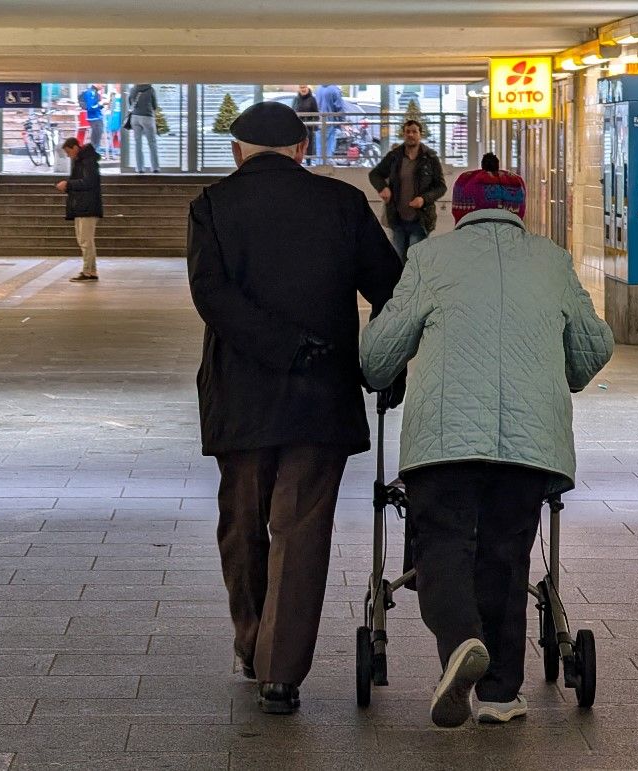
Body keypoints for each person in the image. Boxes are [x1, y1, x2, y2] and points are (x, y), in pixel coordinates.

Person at [359, 153, 613, 728]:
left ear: (461, 211)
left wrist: (386, 359)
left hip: (444, 440)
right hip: (530, 443)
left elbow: (377, 359)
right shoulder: (553, 260)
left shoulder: (429, 256)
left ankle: (459, 646)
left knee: (442, 543)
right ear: (519, 214)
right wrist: (563, 370)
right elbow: (593, 348)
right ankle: (500, 693)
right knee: (506, 550)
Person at [187, 101, 404, 715]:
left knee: (242, 524)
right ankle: (280, 673)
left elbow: (211, 296)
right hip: (321, 394)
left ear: (239, 150)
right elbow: (390, 287)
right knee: (302, 528)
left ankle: (254, 643)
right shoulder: (341, 204)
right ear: (301, 150)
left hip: (242, 394)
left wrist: (279, 348)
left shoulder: (211, 206)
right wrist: (384, 362)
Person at [368, 119, 447, 261]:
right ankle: (401, 283)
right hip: (397, 219)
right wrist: (383, 187)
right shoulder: (394, 157)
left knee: (414, 259)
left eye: (414, 132)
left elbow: (441, 187)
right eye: (407, 132)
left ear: (420, 134)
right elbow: (375, 174)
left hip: (421, 219)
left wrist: (424, 199)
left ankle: (414, 283)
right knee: (398, 260)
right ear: (403, 134)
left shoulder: (430, 158)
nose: (411, 135)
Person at [56, 137, 103, 282]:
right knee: (84, 240)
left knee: (85, 240)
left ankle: (88, 272)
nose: (68, 155)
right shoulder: (82, 161)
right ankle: (91, 271)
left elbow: (89, 182)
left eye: (69, 152)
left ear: (75, 147)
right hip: (82, 206)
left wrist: (68, 184)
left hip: (87, 206)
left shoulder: (87, 162)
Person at [127, 83, 160, 173]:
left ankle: (139, 168)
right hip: (147, 117)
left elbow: (130, 102)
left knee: (138, 143)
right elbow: (155, 105)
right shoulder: (151, 89)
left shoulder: (133, 89)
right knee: (152, 143)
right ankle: (155, 167)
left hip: (135, 117)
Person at [315, 83, 345, 164]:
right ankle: (326, 167)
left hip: (319, 121)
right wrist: (342, 121)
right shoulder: (334, 90)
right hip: (330, 121)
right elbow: (339, 107)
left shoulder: (318, 89)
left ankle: (318, 166)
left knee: (319, 147)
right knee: (329, 147)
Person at [291, 85, 318, 166]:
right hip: (298, 126)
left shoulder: (312, 99)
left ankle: (308, 162)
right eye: (301, 88)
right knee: (297, 144)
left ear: (308, 88)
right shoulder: (296, 99)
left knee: (308, 145)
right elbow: (292, 112)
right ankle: (297, 162)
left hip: (309, 127)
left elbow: (316, 114)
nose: (303, 89)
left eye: (304, 87)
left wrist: (314, 125)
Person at [78, 84, 107, 150]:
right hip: (95, 118)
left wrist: (102, 104)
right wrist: (101, 103)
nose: (104, 86)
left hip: (96, 117)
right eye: (102, 85)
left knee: (96, 140)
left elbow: (94, 106)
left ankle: (93, 154)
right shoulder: (92, 92)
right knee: (96, 140)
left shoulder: (94, 92)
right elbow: (90, 108)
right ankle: (92, 155)